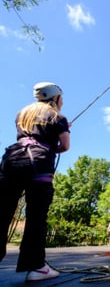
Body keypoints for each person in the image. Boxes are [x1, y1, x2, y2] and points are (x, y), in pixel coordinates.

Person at [0, 82, 70, 282]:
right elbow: (64, 146)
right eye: (61, 99)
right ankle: (36, 267)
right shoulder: (59, 117)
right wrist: (53, 143)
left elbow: (33, 133)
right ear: (56, 98)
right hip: (37, 164)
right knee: (36, 216)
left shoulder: (22, 114)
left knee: (2, 212)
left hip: (11, 160)